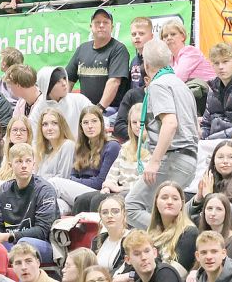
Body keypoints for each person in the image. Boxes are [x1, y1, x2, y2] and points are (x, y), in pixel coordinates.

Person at [124, 39, 199, 230]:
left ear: (146, 65)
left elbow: (170, 123)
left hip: (173, 157)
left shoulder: (158, 85)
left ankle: (168, 236)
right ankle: (170, 240)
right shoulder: (182, 85)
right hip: (189, 159)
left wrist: (155, 161)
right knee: (161, 211)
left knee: (132, 206)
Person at [0, 143, 58, 263]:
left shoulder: (45, 190)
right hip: (11, 242)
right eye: (19, 161)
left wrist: (10, 236)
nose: (24, 166)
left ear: (33, 164)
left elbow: (42, 230)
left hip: (42, 244)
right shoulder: (4, 190)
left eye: (28, 161)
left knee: (22, 245)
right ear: (10, 165)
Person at [73, 107, 147, 214]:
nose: (137, 125)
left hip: (134, 191)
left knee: (98, 200)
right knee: (82, 200)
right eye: (134, 122)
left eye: (141, 122)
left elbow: (145, 183)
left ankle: (103, 231)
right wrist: (108, 185)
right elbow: (112, 173)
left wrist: (119, 189)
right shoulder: (126, 147)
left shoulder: (153, 148)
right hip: (117, 189)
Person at [48, 106, 120, 211]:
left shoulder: (112, 146)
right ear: (81, 126)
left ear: (101, 123)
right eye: (86, 123)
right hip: (80, 193)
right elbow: (72, 175)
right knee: (57, 205)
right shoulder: (80, 147)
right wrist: (74, 180)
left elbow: (100, 182)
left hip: (99, 195)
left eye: (94, 121)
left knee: (54, 183)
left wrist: (74, 180)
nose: (90, 126)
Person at [65, 8, 130, 110]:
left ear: (112, 27)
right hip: (85, 110)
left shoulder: (119, 49)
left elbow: (114, 82)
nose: (101, 25)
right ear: (91, 27)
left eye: (105, 22)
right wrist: (64, 105)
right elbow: (68, 80)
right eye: (97, 22)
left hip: (110, 110)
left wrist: (100, 108)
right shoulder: (82, 49)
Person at [146, 181, 198, 274]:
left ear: (182, 204)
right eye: (164, 198)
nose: (169, 202)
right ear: (156, 202)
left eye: (175, 199)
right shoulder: (150, 234)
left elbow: (174, 274)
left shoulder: (189, 232)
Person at [32, 67, 91, 138]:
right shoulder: (38, 109)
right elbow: (34, 139)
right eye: (58, 81)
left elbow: (96, 119)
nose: (64, 83)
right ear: (47, 87)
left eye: (64, 78)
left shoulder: (79, 100)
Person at [160, 20, 215, 86]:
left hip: (211, 93)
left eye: (173, 34)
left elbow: (178, 79)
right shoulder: (170, 59)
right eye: (165, 36)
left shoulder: (190, 52)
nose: (169, 38)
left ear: (183, 36)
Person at [89, 195, 129, 274]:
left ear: (124, 214)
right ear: (100, 216)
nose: (109, 216)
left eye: (115, 211)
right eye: (105, 212)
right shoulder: (97, 240)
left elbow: (127, 269)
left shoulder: (132, 239)